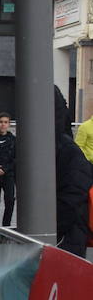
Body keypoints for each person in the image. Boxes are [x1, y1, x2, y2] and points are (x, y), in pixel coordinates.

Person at [55, 87, 92, 256]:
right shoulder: (85, 128)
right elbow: (81, 144)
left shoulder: (66, 150)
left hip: (67, 233)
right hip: (86, 166)